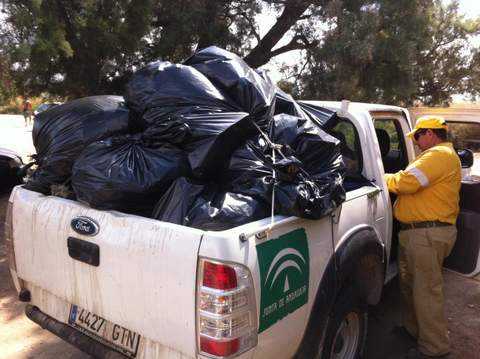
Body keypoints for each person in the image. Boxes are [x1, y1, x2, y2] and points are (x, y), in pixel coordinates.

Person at [384, 116, 461, 359]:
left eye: (417, 136)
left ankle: (434, 349)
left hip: (427, 234)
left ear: (429, 133)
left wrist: (380, 176)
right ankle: (413, 330)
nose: (416, 142)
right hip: (418, 233)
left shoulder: (438, 155)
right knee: (411, 288)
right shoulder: (440, 156)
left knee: (426, 292)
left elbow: (407, 183)